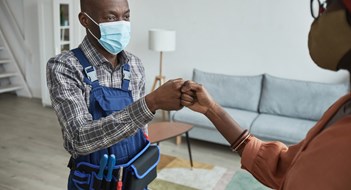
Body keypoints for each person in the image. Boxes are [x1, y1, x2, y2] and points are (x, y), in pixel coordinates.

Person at [180, 0, 351, 189]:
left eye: (329, 3)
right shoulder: (342, 107)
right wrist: (211, 109)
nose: (321, 13)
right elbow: (282, 167)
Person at [46, 0, 184, 189]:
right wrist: (150, 103)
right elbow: (80, 139)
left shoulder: (135, 65)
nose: (121, 24)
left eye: (126, 16)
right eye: (111, 18)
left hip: (134, 179)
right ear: (85, 20)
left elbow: (141, 130)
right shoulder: (65, 67)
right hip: (93, 183)